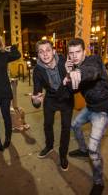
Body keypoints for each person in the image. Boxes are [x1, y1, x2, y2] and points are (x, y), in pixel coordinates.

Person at [63, 38, 108, 195]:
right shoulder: (73, 69)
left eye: (78, 52)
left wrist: (79, 72)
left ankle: (99, 182)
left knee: (94, 150)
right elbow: (73, 91)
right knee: (75, 125)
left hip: (103, 110)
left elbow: (93, 71)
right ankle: (82, 150)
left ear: (84, 52)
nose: (75, 56)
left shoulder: (94, 60)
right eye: (71, 53)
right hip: (90, 107)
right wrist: (68, 76)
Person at [31, 39, 74, 171]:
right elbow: (37, 92)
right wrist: (36, 100)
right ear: (38, 55)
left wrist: (70, 76)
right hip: (50, 98)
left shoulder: (64, 61)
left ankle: (62, 155)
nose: (45, 54)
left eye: (48, 50)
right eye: (41, 51)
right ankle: (49, 146)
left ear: (53, 51)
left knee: (66, 128)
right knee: (47, 124)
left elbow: (75, 85)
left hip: (66, 97)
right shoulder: (37, 70)